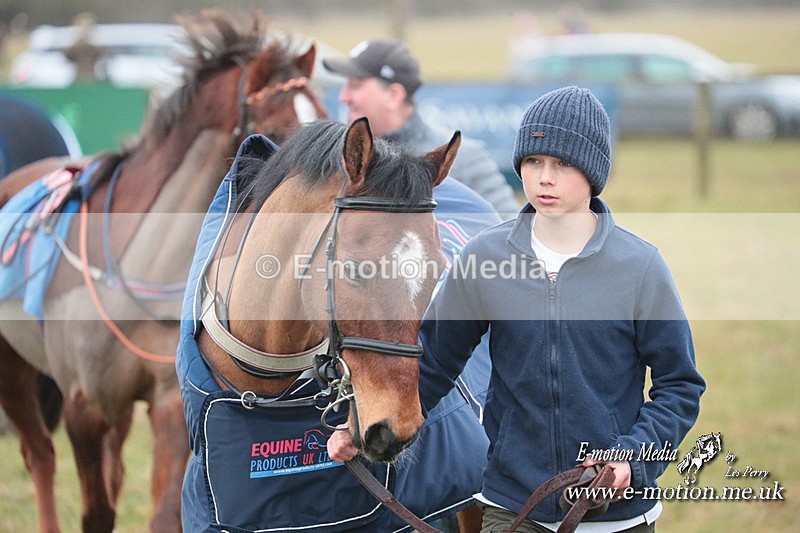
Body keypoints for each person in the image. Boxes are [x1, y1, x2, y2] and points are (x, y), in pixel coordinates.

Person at [329, 86, 706, 532]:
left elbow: (679, 386)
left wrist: (630, 459)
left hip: (617, 515)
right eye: (533, 162)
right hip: (512, 508)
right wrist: (361, 427)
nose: (544, 178)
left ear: (593, 172)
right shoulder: (482, 258)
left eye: (562, 164)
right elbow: (433, 365)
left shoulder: (640, 267)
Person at [322, 38, 521, 218]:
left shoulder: (464, 157)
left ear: (393, 95)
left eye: (356, 85)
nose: (344, 97)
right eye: (345, 86)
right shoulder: (338, 160)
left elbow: (511, 230)